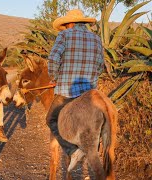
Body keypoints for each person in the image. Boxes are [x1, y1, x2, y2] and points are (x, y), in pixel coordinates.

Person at [46, 9, 104, 170]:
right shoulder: (96, 38)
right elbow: (101, 66)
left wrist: (54, 77)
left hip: (66, 91)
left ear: (70, 23)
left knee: (51, 119)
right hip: (89, 95)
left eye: (66, 25)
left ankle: (73, 150)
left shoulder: (64, 36)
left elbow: (53, 59)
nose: (65, 28)